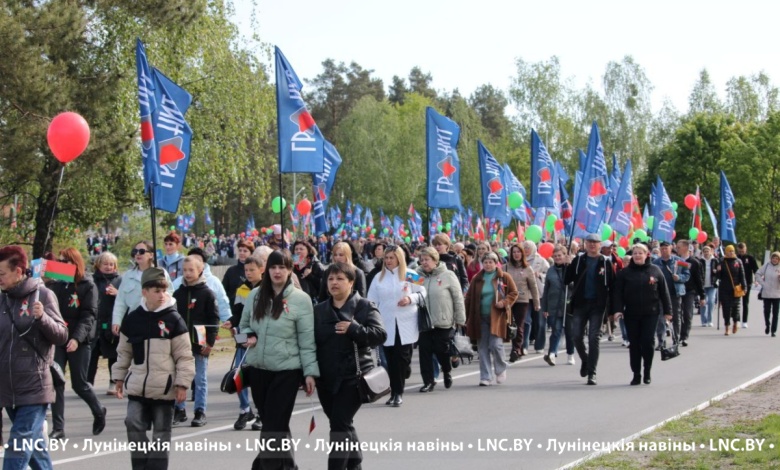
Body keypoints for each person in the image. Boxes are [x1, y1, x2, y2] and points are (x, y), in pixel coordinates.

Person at [240, 250, 318, 469]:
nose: (277, 271)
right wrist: (246, 337)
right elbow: (241, 328)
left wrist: (310, 373)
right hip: (258, 369)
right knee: (275, 426)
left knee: (274, 426)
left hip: (287, 371)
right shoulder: (255, 295)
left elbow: (307, 340)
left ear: (290, 270)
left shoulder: (301, 300)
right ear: (267, 270)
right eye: (273, 267)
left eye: (282, 267)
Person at [113, 267, 196, 470]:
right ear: (145, 292)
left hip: (164, 390)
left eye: (164, 290)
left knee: (161, 433)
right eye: (156, 291)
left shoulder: (174, 319)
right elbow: (124, 352)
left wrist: (182, 384)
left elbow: (184, 356)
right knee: (132, 423)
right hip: (138, 386)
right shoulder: (133, 319)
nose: (162, 295)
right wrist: (119, 378)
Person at [0, 245, 68, 469]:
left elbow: (61, 335)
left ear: (19, 271)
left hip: (35, 387)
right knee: (36, 450)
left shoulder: (43, 295)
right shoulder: (3, 300)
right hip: (9, 388)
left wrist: (42, 318)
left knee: (17, 448)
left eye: (2, 274)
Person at [314, 263, 386, 470]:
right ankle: (355, 464)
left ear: (351, 282)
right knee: (341, 424)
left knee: (339, 425)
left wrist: (354, 328)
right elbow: (310, 344)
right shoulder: (319, 310)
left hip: (354, 378)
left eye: (340, 279)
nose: (334, 283)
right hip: (325, 379)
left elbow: (379, 335)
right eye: (330, 279)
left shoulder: (364, 306)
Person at [49, 247, 106, 439]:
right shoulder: (56, 285)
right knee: (56, 382)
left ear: (75, 263)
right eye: (60, 261)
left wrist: (76, 338)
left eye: (66, 262)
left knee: (79, 384)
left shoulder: (87, 285)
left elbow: (89, 315)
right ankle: (58, 428)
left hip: (79, 341)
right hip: (58, 339)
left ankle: (98, 411)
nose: (62, 265)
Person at [366, 245, 425, 406]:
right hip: (386, 323)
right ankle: (395, 392)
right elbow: (371, 300)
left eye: (391, 257)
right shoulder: (378, 277)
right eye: (386, 258)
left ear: (399, 258)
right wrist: (371, 319)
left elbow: (423, 292)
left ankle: (399, 389)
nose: (388, 261)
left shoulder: (410, 274)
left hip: (405, 322)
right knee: (390, 361)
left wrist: (410, 299)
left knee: (402, 359)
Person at [612, 243, 672, 385]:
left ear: (647, 255)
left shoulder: (655, 270)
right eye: (635, 253)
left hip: (651, 313)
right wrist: (618, 310)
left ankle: (647, 371)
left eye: (640, 253)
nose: (637, 255)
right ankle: (636, 373)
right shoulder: (625, 273)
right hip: (631, 314)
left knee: (647, 341)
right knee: (634, 344)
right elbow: (617, 294)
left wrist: (668, 311)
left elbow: (664, 292)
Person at [172, 256, 219, 427]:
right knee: (180, 377)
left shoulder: (207, 293)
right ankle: (179, 409)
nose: (188, 273)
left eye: (191, 270)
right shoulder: (178, 293)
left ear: (200, 270)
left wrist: (210, 342)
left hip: (200, 339)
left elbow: (214, 319)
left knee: (200, 378)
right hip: (181, 342)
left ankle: (200, 411)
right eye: (185, 270)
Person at [565, 233, 615, 385]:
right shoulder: (579, 260)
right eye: (589, 242)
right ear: (585, 244)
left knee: (594, 338)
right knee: (576, 336)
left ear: (600, 245)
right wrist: (566, 265)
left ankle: (592, 372)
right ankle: (586, 360)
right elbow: (566, 280)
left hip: (597, 305)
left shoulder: (605, 262)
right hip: (581, 303)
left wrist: (612, 309)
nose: (592, 245)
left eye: (595, 242)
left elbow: (612, 286)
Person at [464, 252, 518, 386]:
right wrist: (464, 316)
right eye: (485, 262)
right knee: (482, 348)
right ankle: (485, 376)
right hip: (480, 316)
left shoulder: (503, 277)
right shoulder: (477, 278)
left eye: (490, 262)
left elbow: (513, 293)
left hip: (497, 316)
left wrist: (504, 302)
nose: (488, 265)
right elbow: (469, 298)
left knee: (495, 344)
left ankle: (500, 369)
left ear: (496, 263)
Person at [417, 247, 466, 392]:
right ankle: (428, 381)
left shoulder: (448, 275)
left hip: (443, 320)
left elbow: (458, 298)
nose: (424, 263)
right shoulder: (417, 276)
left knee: (442, 350)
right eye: (422, 260)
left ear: (435, 260)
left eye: (427, 260)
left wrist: (460, 319)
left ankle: (446, 371)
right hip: (425, 321)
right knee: (424, 352)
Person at [225, 253, 265, 431]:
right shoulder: (242, 289)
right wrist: (231, 322)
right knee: (239, 374)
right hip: (242, 334)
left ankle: (261, 414)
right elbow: (238, 313)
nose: (248, 273)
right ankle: (244, 409)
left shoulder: (267, 290)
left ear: (261, 270)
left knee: (257, 376)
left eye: (252, 270)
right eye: (246, 270)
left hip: (259, 337)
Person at [112, 241, 173, 335]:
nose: (137, 254)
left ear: (151, 255)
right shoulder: (128, 275)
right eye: (135, 251)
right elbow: (120, 301)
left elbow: (170, 294)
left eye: (141, 251)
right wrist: (116, 321)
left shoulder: (161, 273)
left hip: (157, 320)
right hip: (134, 322)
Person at [88, 252, 122, 395]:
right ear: (98, 265)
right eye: (105, 264)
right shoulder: (91, 280)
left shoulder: (119, 280)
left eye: (111, 264)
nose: (108, 267)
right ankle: (88, 382)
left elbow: (125, 299)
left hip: (111, 321)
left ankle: (113, 382)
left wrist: (118, 293)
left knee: (113, 354)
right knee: (92, 354)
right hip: (95, 321)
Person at [504, 244, 540, 362]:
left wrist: (536, 302)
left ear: (522, 254)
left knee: (519, 325)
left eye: (518, 252)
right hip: (508, 301)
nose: (516, 254)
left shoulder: (527, 269)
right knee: (508, 325)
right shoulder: (505, 268)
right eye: (514, 252)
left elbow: (533, 287)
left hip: (522, 300)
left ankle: (516, 349)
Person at [541, 245, 576, 366]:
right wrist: (544, 307)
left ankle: (570, 354)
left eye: (559, 255)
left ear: (565, 256)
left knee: (570, 333)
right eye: (555, 256)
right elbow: (546, 290)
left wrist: (569, 271)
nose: (557, 258)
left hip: (568, 305)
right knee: (555, 330)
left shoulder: (571, 268)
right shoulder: (550, 270)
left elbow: (575, 285)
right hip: (553, 306)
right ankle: (551, 354)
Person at [652, 241, 690, 346]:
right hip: (660, 294)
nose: (664, 250)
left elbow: (687, 275)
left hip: (675, 293)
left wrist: (679, 278)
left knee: (676, 317)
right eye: (662, 248)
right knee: (660, 318)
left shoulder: (681, 261)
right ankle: (661, 341)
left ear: (671, 248)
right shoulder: (655, 263)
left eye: (666, 248)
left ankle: (676, 339)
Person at [677, 240, 705, 347]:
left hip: (689, 291)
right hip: (677, 290)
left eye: (679, 247)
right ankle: (677, 334)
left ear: (685, 248)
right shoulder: (675, 260)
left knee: (687, 313)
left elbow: (699, 279)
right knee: (677, 314)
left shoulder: (694, 262)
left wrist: (702, 296)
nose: (677, 249)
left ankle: (684, 336)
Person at [522, 241, 548, 354]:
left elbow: (548, 274)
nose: (526, 249)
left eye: (528, 247)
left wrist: (540, 275)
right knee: (526, 321)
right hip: (525, 294)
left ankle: (539, 345)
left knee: (539, 321)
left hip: (539, 294)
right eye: (525, 247)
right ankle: (524, 345)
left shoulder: (541, 260)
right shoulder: (519, 260)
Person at [718, 245, 747, 335]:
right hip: (724, 289)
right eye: (729, 251)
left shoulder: (738, 261)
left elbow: (742, 275)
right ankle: (727, 327)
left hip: (736, 289)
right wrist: (718, 271)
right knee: (726, 309)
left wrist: (744, 286)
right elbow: (718, 277)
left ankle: (735, 323)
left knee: (736, 308)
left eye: (732, 251)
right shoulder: (722, 261)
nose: (731, 253)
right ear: (726, 252)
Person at [736, 242, 759, 328]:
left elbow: (756, 270)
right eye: (740, 251)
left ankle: (744, 321)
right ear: (738, 250)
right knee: (737, 303)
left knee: (745, 303)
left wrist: (756, 280)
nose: (741, 252)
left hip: (747, 283)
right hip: (737, 283)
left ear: (745, 249)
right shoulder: (736, 258)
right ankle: (737, 320)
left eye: (743, 251)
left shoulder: (750, 258)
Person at [757, 252, 780, 336]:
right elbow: (758, 274)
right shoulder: (766, 266)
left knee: (775, 313)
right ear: (771, 258)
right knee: (766, 311)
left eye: (777, 258)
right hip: (766, 293)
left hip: (777, 294)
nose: (775, 260)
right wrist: (763, 283)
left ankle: (773, 330)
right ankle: (767, 325)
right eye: (773, 258)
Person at [700, 245, 720, 327]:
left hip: (712, 284)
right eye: (705, 251)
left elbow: (720, 271)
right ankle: (704, 321)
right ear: (703, 252)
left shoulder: (715, 260)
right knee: (703, 303)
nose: (706, 253)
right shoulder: (700, 261)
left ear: (711, 252)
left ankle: (710, 320)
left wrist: (717, 272)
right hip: (703, 285)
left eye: (708, 251)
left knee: (711, 301)